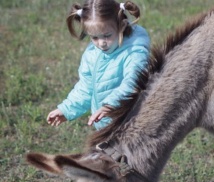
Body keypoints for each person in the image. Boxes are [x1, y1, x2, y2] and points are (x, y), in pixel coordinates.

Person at [47, 0, 150, 130]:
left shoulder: (134, 51)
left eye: (107, 36)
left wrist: (111, 105)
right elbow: (86, 87)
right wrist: (67, 109)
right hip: (105, 124)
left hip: (132, 123)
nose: (101, 43)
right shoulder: (92, 54)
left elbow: (134, 81)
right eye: (94, 38)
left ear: (122, 26)